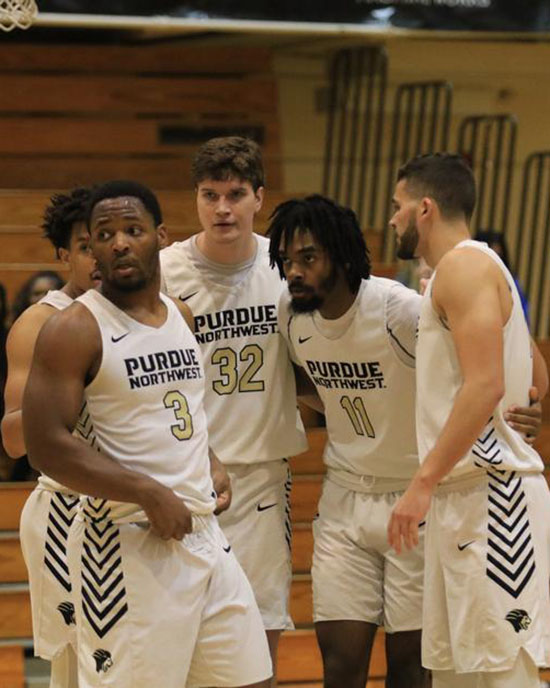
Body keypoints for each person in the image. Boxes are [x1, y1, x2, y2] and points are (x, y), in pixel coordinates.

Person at [267, 194, 545, 688]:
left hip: (415, 497)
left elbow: (510, 343)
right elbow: (313, 386)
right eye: (287, 261)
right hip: (345, 497)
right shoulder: (293, 317)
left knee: (411, 667)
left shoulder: (400, 311)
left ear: (341, 254)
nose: (294, 272)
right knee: (340, 661)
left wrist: (532, 397)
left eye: (307, 258)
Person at [23, 180, 272, 688]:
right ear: (89, 246)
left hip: (203, 534)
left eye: (132, 230)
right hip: (123, 541)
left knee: (251, 680)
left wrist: (213, 460)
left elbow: (171, 413)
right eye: (104, 234)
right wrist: (146, 490)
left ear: (159, 236)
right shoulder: (74, 329)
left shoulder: (180, 314)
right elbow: (44, 443)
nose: (118, 243)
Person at [388, 153, 550, 688]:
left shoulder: (464, 266)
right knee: (458, 671)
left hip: (494, 496)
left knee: (504, 670)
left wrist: (422, 480)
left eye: (398, 206)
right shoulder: (459, 273)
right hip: (466, 497)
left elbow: (487, 384)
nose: (391, 219)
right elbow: (535, 377)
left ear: (425, 208)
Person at [159, 136, 307, 680]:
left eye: (236, 194)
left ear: (259, 198)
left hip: (263, 476)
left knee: (261, 634)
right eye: (210, 194)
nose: (223, 208)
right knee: (178, 639)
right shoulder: (162, 270)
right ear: (195, 200)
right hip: (180, 479)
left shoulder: (286, 266)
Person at [1, 187, 100, 687]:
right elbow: (15, 439)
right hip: (68, 509)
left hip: (138, 503)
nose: (102, 254)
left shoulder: (156, 312)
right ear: (64, 254)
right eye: (87, 245)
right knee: (77, 669)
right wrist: (70, 384)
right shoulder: (39, 322)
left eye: (110, 238)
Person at [474, 229, 529, 326]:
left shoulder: (512, 284)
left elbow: (523, 320)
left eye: (499, 256)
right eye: (490, 255)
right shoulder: (466, 280)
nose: (495, 261)